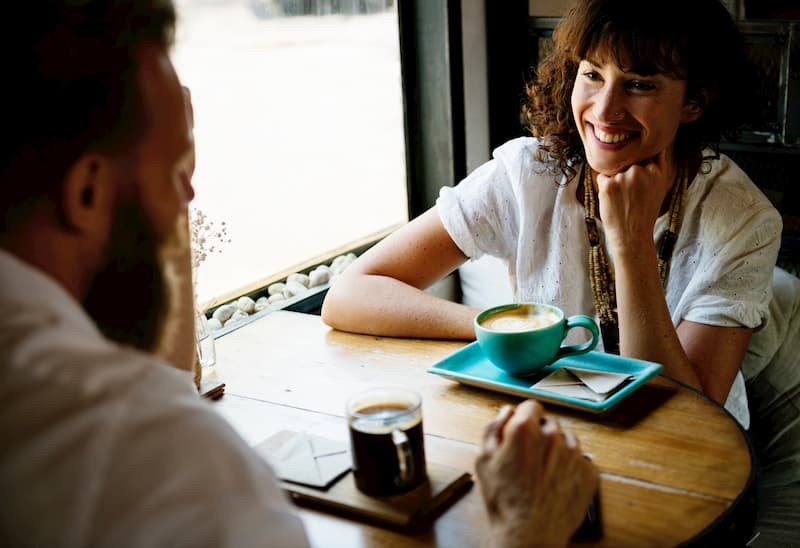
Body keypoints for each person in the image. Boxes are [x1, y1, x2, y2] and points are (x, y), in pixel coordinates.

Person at [0, 1, 597, 546]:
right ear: (86, 193)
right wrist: (525, 530)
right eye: (175, 174)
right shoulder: (166, 456)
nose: (190, 199)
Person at [322, 0, 783, 430]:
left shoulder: (745, 220)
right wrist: (509, 334)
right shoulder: (529, 172)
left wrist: (631, 241)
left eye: (640, 83)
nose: (605, 110)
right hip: (553, 429)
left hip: (693, 459)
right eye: (593, 75)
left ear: (693, 102)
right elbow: (349, 295)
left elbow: (686, 416)